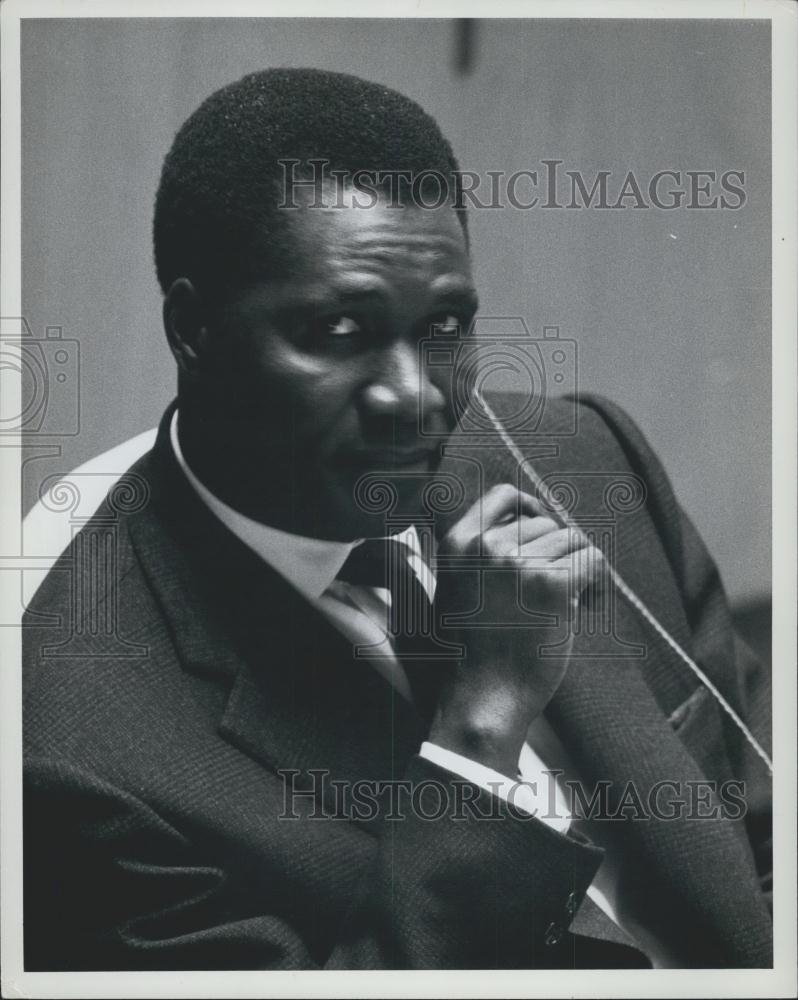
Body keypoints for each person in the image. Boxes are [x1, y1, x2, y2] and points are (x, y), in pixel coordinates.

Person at [23, 68, 772, 971]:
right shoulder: (71, 751)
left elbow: (758, 834)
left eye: (446, 325)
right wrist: (481, 723)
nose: (414, 397)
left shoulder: (584, 457)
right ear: (194, 328)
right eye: (341, 330)